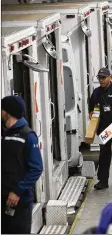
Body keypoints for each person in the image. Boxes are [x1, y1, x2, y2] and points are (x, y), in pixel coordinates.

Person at [1, 95, 43, 234]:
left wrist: (18, 191)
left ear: (8, 113)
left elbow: (37, 168)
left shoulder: (28, 136)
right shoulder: (3, 132)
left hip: (19, 200)